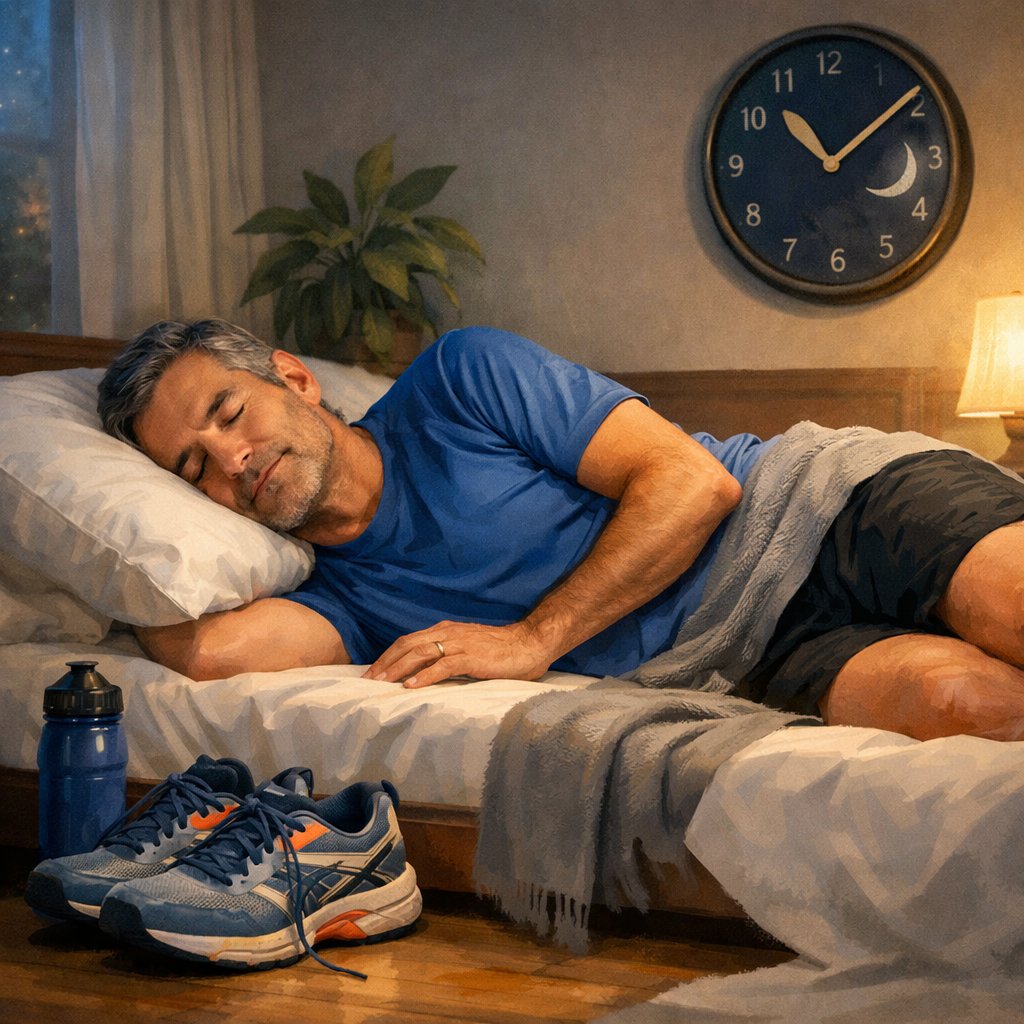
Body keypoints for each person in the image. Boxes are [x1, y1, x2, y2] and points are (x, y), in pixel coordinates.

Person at [98, 320, 1024, 743]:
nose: (232, 460)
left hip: (818, 504)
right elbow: (206, 652)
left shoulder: (461, 376)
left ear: (295, 381)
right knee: (966, 707)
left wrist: (531, 640)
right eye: (191, 469)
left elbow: (692, 484)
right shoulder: (340, 597)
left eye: (229, 412)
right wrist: (104, 529)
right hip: (747, 652)